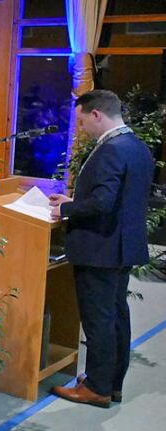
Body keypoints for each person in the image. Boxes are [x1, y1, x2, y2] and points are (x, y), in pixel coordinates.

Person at [49, 90, 154, 408]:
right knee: (116, 316)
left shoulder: (110, 149)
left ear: (96, 115)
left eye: (81, 121)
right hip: (123, 245)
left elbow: (103, 202)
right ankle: (111, 382)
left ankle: (96, 387)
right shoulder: (136, 146)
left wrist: (66, 209)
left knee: (99, 320)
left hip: (100, 247)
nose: (81, 128)